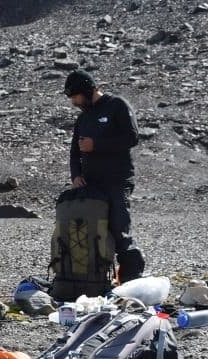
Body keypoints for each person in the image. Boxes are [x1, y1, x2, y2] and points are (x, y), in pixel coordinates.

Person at [65, 69, 145, 282]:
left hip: (117, 179)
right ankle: (97, 278)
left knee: (119, 227)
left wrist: (96, 145)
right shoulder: (83, 118)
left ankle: (132, 276)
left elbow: (132, 137)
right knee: (93, 229)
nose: (75, 102)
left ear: (87, 90)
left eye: (76, 97)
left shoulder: (117, 105)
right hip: (92, 182)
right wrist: (76, 176)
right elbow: (75, 152)